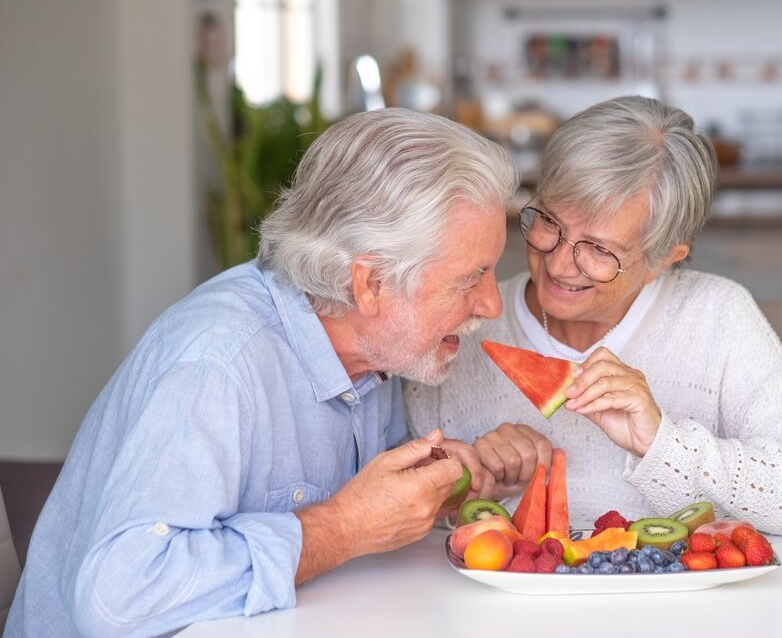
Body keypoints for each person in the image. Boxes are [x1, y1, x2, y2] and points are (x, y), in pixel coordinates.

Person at [6, 107, 518, 637]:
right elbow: (119, 599)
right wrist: (342, 528)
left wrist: (424, 489)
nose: (491, 304)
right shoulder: (217, 363)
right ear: (369, 285)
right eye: (471, 278)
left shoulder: (373, 347)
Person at [406, 96, 782, 538]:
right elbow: (393, 506)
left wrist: (664, 443)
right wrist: (467, 489)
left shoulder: (718, 316)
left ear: (663, 260)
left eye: (600, 250)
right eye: (548, 223)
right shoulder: (462, 324)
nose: (560, 264)